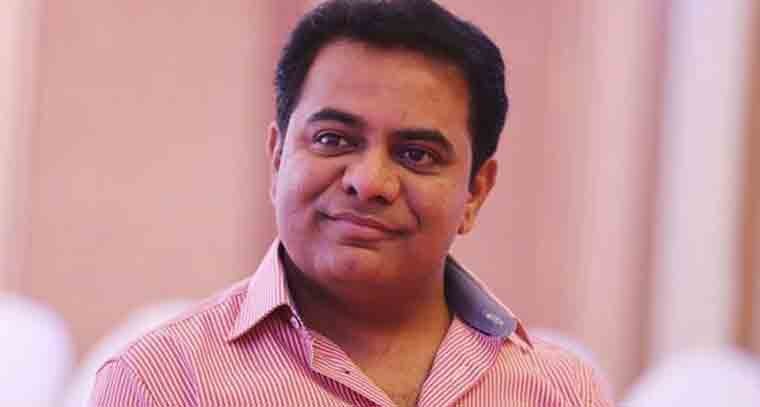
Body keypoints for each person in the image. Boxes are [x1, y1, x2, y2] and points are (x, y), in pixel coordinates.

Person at [90, 1, 614, 406]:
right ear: (277, 158)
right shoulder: (163, 382)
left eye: (416, 154)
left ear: (476, 191)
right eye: (334, 140)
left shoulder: (560, 391)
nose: (368, 183)